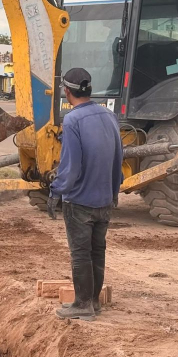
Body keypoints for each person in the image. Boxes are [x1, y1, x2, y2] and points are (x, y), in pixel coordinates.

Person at [48, 67, 123, 322]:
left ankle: (82, 304)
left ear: (66, 92)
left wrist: (55, 192)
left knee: (80, 253)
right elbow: (118, 158)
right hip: (104, 199)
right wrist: (114, 191)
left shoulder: (73, 120)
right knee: (97, 251)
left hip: (80, 201)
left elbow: (71, 166)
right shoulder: (109, 116)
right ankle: (93, 302)